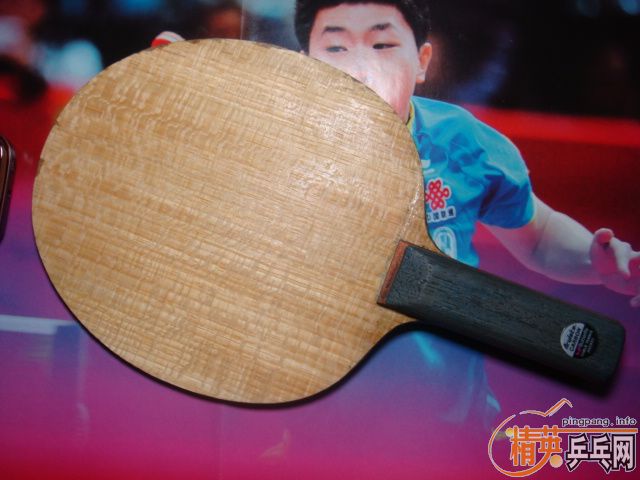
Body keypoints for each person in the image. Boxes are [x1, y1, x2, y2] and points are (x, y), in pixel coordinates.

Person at [294, 0, 640, 307]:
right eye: (336, 47)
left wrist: (596, 263)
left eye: (382, 44)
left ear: (421, 61)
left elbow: (539, 239)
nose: (360, 68)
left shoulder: (462, 140)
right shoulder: (278, 140)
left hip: (444, 354)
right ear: (304, 64)